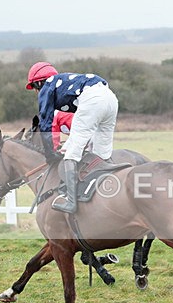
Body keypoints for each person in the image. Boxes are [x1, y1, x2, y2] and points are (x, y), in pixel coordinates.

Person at [26, 61, 119, 214]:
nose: (36, 92)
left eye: (34, 87)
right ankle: (113, 190)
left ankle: (71, 202)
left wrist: (49, 155)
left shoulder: (47, 87)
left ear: (39, 83)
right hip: (110, 98)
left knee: (71, 155)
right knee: (102, 154)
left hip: (93, 98)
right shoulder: (65, 82)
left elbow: (45, 124)